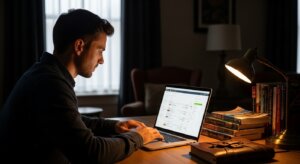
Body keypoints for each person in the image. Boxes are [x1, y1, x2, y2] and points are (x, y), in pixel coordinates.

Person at [0, 9, 163, 163]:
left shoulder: (44, 74)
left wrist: (115, 125)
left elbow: (70, 121)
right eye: (100, 50)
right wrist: (138, 137)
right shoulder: (51, 84)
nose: (102, 60)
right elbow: (92, 153)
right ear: (79, 46)